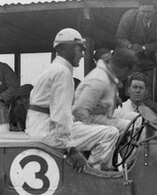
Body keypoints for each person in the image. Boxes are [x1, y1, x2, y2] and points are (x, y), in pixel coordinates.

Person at [25, 28, 119, 172]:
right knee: (110, 133)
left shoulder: (53, 68)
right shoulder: (62, 72)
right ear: (65, 50)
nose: (82, 54)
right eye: (79, 49)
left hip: (39, 127)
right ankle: (95, 175)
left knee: (91, 127)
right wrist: (71, 149)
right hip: (48, 131)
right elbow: (60, 115)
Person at [72, 47, 137, 131]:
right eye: (127, 72)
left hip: (105, 113)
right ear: (122, 67)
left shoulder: (109, 76)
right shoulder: (98, 80)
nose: (126, 76)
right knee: (129, 126)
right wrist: (94, 130)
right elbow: (80, 111)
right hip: (91, 118)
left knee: (136, 118)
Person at [114, 0, 157, 73]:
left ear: (155, 10)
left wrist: (144, 48)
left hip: (148, 62)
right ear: (138, 8)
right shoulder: (129, 16)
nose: (146, 15)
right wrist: (130, 46)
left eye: (149, 12)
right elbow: (119, 37)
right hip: (127, 59)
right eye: (143, 11)